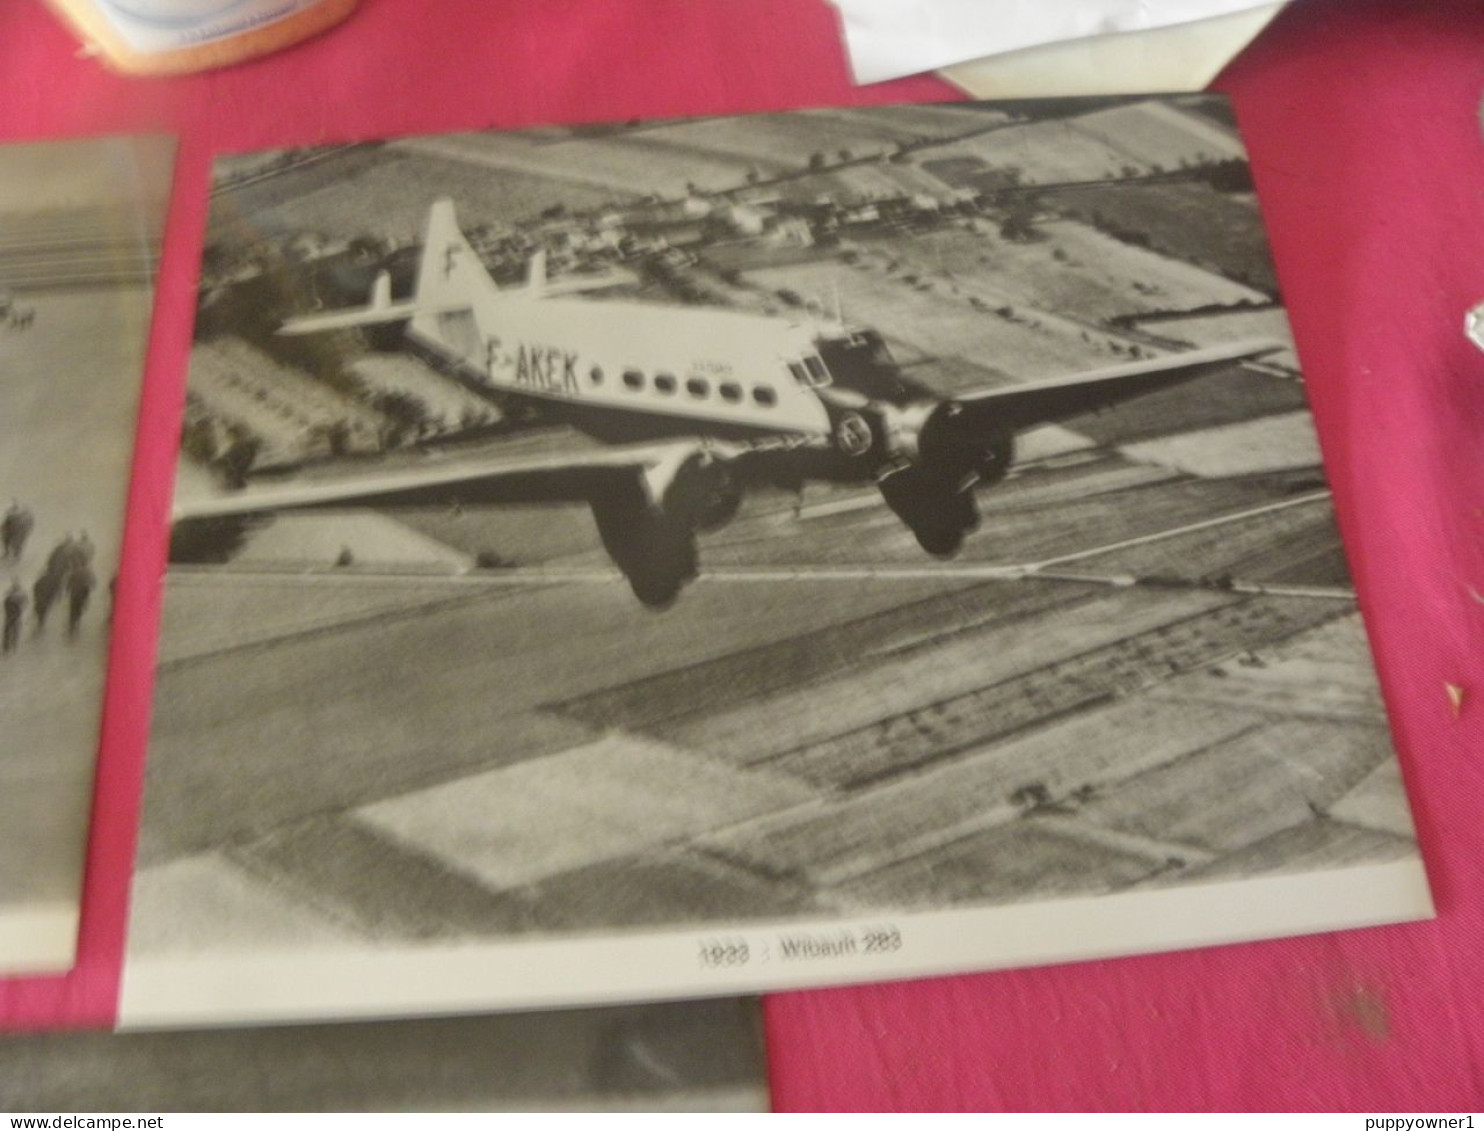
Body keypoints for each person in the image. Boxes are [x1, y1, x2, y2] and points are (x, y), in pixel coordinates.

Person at [66, 563, 95, 638]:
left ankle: (71, 628)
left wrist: (68, 589)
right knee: (79, 611)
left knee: (72, 611)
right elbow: (92, 583)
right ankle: (75, 626)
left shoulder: (75, 572)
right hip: (82, 595)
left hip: (74, 594)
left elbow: (69, 582)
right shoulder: (88, 573)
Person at [32, 568, 59, 634]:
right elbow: (54, 591)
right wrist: (52, 598)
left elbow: (35, 588)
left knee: (39, 610)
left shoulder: (40, 580)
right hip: (46, 599)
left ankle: (40, 621)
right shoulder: (52, 581)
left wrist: (36, 597)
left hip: (40, 598)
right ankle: (41, 622)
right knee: (44, 610)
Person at [2, 580, 24, 653]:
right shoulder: (20, 596)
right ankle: (13, 645)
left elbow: (4, 606)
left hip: (9, 617)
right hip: (15, 616)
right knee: (15, 630)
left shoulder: (8, 597)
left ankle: (6, 646)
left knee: (8, 631)